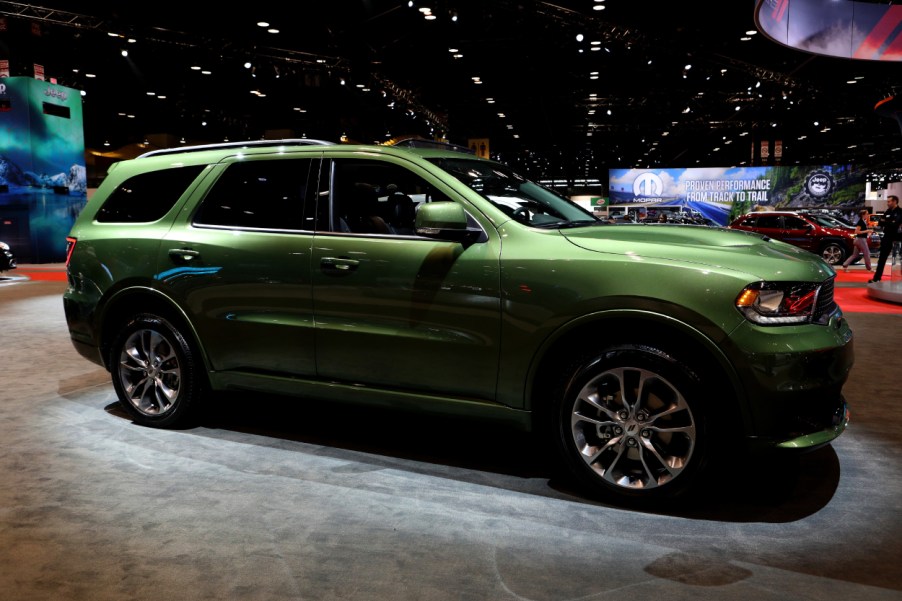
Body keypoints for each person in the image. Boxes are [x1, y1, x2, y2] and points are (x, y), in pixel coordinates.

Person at [869, 195, 902, 283]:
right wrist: (890, 222)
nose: (887, 203)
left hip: (897, 238)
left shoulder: (900, 212)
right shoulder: (887, 211)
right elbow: (880, 222)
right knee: (882, 258)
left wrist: (887, 222)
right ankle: (877, 278)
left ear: (895, 201)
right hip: (887, 237)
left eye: (889, 201)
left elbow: (895, 224)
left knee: (899, 259)